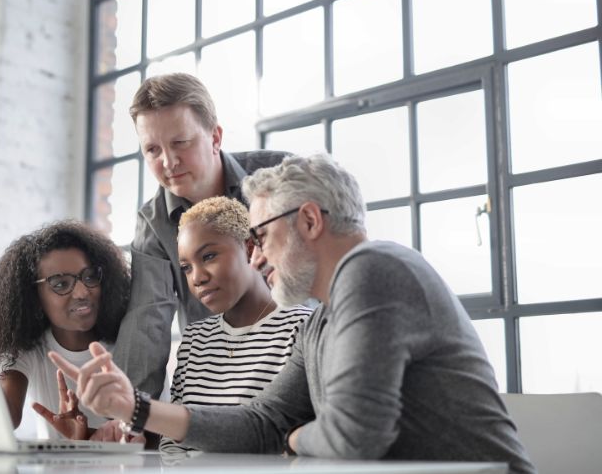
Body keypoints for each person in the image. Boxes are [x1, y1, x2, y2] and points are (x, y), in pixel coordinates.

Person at [47, 154, 536, 473]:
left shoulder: (375, 269)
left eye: (259, 236)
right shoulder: (322, 317)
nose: (256, 256)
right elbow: (263, 422)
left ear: (309, 219)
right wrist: (136, 407)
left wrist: (296, 437)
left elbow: (353, 438)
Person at [113, 72, 289, 398]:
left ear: (215, 137)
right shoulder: (153, 223)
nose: (169, 162)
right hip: (218, 380)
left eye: (180, 142)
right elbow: (146, 320)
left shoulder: (280, 176)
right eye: (152, 150)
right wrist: (130, 414)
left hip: (296, 362)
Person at [161, 196, 312, 452]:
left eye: (208, 256)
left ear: (251, 248)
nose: (197, 277)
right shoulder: (194, 339)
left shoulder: (301, 327)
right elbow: (172, 442)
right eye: (186, 267)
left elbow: (289, 439)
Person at [0, 220, 139, 442]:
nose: (82, 292)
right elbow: (4, 418)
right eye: (61, 284)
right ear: (33, 296)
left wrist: (87, 437)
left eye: (90, 277)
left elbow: (163, 437)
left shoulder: (132, 341)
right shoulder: (27, 349)